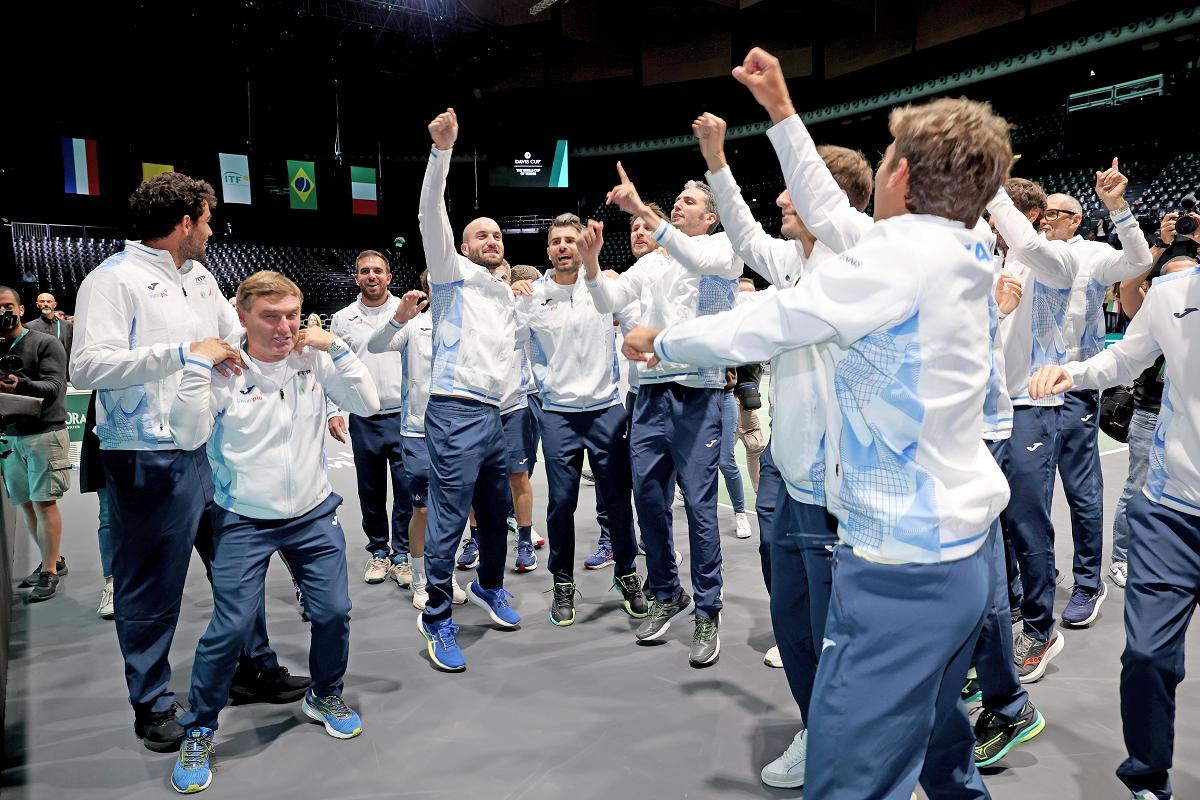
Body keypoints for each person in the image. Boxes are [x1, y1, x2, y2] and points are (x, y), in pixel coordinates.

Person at [625, 48, 1012, 799]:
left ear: (898, 177)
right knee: (940, 748)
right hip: (957, 558)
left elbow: (772, 322)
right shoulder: (959, 246)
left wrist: (661, 340)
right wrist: (780, 112)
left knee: (846, 779)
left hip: (902, 571)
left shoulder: (896, 259)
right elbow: (833, 212)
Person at [70, 172, 308, 752]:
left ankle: (251, 667)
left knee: (237, 567)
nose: (210, 229)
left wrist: (288, 344)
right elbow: (87, 368)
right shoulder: (112, 280)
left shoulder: (200, 277)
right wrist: (182, 352)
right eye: (205, 219)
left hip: (211, 450)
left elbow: (236, 340)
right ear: (185, 223)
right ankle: (150, 702)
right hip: (147, 458)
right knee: (151, 589)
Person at [687, 105, 876, 785]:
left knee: (839, 636)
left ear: (834, 200)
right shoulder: (794, 262)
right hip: (789, 482)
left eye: (795, 188)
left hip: (839, 493)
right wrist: (716, 159)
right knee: (792, 625)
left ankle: (856, 753)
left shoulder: (861, 264)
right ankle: (818, 729)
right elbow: (741, 227)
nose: (781, 199)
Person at [167, 271, 375, 794]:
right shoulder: (223, 370)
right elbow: (187, 434)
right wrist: (196, 364)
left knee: (333, 611)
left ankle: (325, 693)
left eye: (291, 316)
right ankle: (200, 729)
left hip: (311, 513)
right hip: (243, 518)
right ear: (242, 316)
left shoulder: (315, 357)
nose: (284, 328)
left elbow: (369, 404)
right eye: (269, 316)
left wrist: (341, 348)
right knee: (231, 627)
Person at [1027, 254, 1200, 800]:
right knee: (1147, 656)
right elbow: (1125, 358)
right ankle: (1147, 781)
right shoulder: (1174, 294)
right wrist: (1072, 372)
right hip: (1170, 514)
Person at [987, 158, 1153, 637]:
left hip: (1075, 387)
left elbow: (1139, 261)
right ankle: (1032, 581)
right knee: (1026, 499)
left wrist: (1118, 207)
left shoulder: (1089, 255)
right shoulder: (1016, 258)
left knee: (1082, 495)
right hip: (1024, 395)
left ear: (1073, 219)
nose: (1045, 221)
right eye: (1043, 216)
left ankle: (1087, 582)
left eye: (1054, 215)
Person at [586, 165, 744, 667]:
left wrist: (642, 211)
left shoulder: (724, 249)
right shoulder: (652, 264)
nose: (678, 205)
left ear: (712, 215)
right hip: (651, 395)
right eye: (675, 199)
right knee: (648, 502)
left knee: (699, 507)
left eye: (688, 201)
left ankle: (708, 608)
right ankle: (666, 592)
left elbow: (689, 251)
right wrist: (591, 266)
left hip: (701, 394)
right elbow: (608, 300)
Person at [416, 108, 522, 672]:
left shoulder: (505, 294)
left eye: (497, 233)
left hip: (495, 416)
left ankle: (489, 586)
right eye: (481, 233)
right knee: (450, 516)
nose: (492, 238)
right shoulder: (450, 272)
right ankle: (436, 616)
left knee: (496, 510)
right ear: (459, 245)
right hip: (455, 411)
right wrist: (442, 153)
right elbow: (430, 211)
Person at [511, 213, 647, 625]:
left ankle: (626, 573)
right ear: (548, 250)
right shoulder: (531, 296)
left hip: (606, 409)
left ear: (582, 245)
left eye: (571, 239)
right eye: (557, 241)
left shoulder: (604, 287)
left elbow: (639, 325)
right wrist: (509, 292)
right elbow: (508, 342)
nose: (564, 246)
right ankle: (563, 581)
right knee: (561, 504)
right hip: (557, 415)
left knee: (619, 502)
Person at [368, 271, 469, 609]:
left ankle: (446, 575)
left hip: (459, 429)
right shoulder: (414, 324)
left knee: (452, 509)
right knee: (423, 508)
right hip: (419, 430)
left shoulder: (470, 324)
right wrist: (398, 318)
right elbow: (376, 345)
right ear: (428, 288)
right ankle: (421, 579)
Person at [328, 250, 415, 586]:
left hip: (404, 416)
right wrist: (334, 411)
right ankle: (379, 551)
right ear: (356, 278)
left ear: (389, 277)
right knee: (370, 490)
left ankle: (403, 554)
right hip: (364, 417)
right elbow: (331, 370)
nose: (372, 276)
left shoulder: (406, 311)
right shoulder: (342, 319)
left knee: (407, 490)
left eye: (378, 270)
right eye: (365, 271)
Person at [0, 286, 70, 602]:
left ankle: (50, 571)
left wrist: (21, 384)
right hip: (11, 435)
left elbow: (54, 387)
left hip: (44, 433)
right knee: (27, 502)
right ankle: (51, 557)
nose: (3, 313)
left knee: (44, 502)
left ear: (20, 308)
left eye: (7, 306)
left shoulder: (45, 342)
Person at [26, 292, 74, 373]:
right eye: (42, 301)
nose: (45, 304)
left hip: (64, 372)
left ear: (55, 304)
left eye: (49, 301)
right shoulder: (29, 327)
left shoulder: (67, 326)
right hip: (40, 373)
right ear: (37, 305)